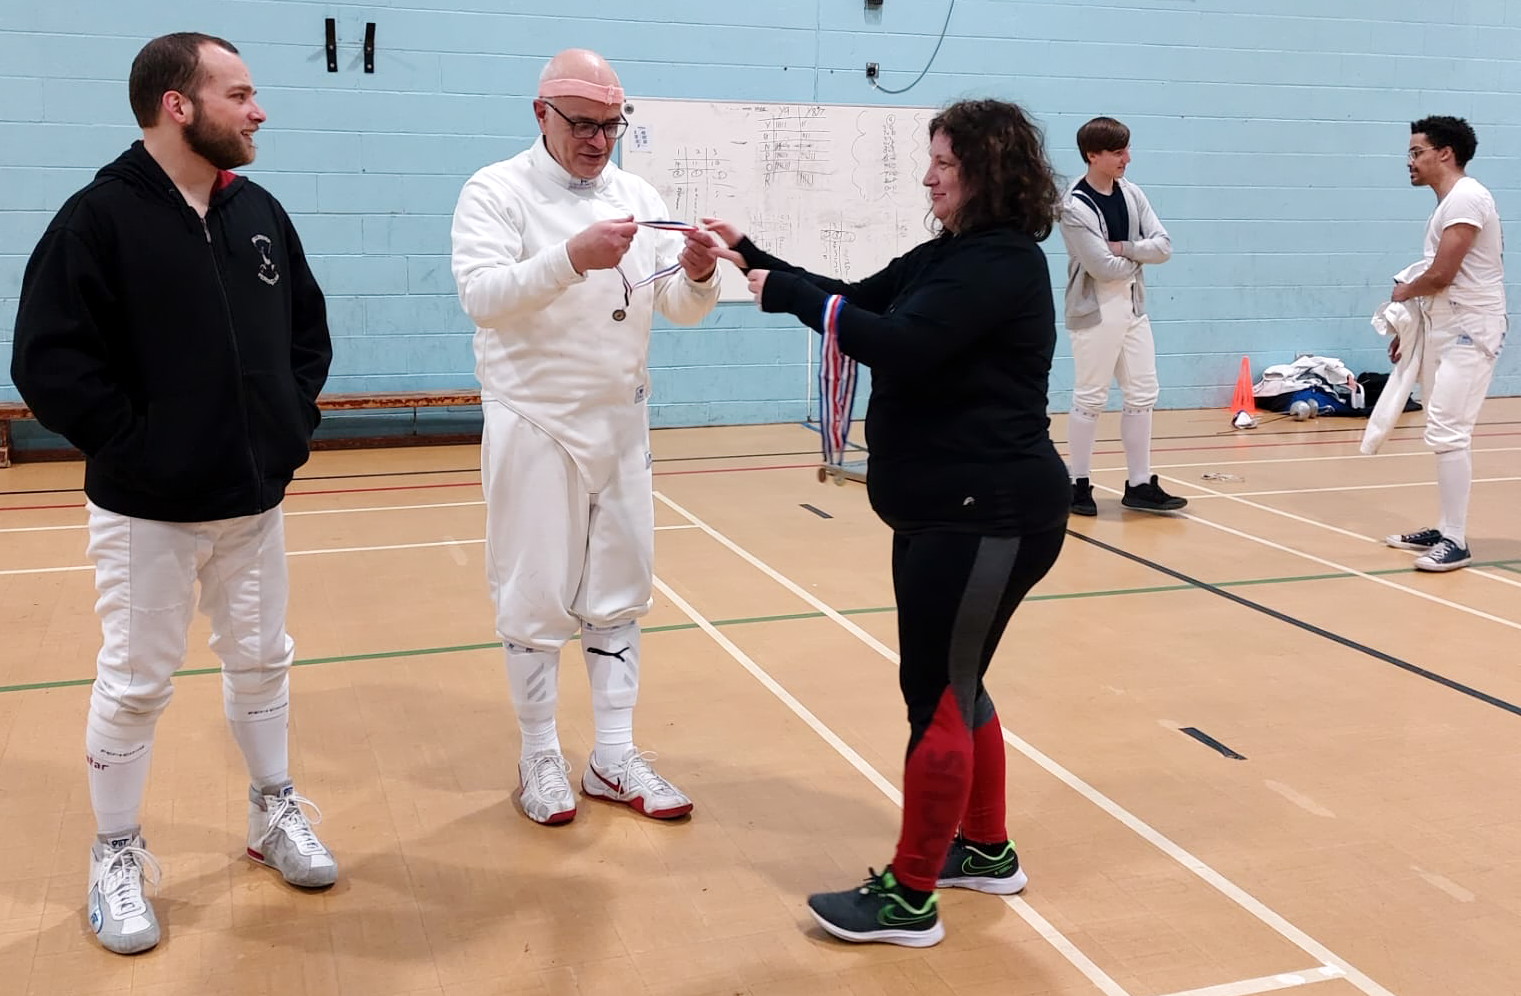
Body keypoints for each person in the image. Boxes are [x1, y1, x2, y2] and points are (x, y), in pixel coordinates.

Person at [696, 98, 1068, 948]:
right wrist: (749, 256)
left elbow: (896, 343)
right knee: (955, 680)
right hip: (950, 511)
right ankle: (981, 848)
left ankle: (908, 899)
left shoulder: (999, 264)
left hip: (987, 515)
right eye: (930, 159)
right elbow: (854, 299)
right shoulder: (952, 256)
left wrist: (784, 294)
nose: (928, 174)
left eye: (945, 161)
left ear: (987, 171)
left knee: (934, 690)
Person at [10, 32, 337, 955]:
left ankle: (273, 810)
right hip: (146, 512)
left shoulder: (259, 210)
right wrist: (140, 448)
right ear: (177, 106)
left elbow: (305, 333)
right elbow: (48, 361)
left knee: (264, 659)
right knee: (136, 680)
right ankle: (114, 852)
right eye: (239, 93)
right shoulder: (97, 220)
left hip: (254, 502)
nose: (258, 109)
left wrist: (285, 427)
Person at [449, 49, 720, 827]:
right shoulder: (494, 190)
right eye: (583, 124)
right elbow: (482, 297)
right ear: (541, 114)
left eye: (611, 124)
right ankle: (539, 754)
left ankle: (611, 754)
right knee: (533, 597)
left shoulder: (636, 193)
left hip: (620, 421)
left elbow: (679, 308)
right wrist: (571, 257)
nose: (598, 140)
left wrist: (698, 274)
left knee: (618, 596)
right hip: (533, 418)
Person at [1381, 116, 1506, 572]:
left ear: (1445, 154)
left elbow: (1441, 274)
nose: (1409, 161)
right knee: (1441, 428)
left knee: (1449, 430)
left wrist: (1403, 292)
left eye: (1417, 152)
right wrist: (1413, 331)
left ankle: (1456, 540)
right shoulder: (1449, 202)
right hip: (1447, 330)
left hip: (1472, 331)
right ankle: (1446, 524)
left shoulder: (1468, 198)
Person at [1059, 116, 1186, 516]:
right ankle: (1078, 485)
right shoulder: (1074, 205)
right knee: (1090, 397)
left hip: (1132, 307)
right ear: (1092, 155)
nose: (1126, 159)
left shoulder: (1131, 193)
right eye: (1117, 152)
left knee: (1143, 393)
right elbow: (1101, 268)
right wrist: (1137, 255)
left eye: (1126, 150)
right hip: (1095, 310)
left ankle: (1140, 483)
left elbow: (1164, 246)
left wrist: (1125, 248)